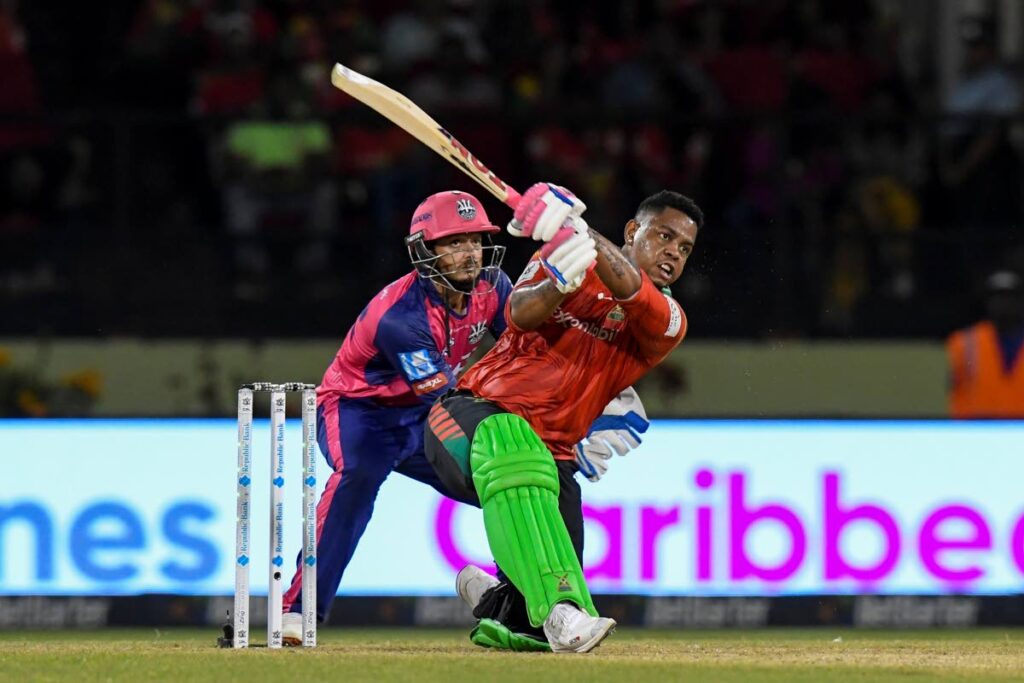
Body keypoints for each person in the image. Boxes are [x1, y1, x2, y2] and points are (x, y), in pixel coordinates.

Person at [423, 184, 702, 653]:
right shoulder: (568, 254)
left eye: (685, 248)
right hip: (468, 417)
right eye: (664, 237)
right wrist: (558, 279)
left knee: (541, 616)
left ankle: (495, 598)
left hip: (551, 458)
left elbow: (630, 285)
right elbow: (518, 314)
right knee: (514, 445)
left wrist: (579, 227)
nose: (673, 253)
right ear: (634, 230)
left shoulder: (669, 320)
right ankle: (554, 609)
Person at [278, 189, 512, 643]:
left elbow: (521, 355)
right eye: (455, 243)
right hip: (359, 410)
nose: (470, 254)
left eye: (476, 240)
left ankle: (515, 598)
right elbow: (449, 399)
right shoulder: (401, 318)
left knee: (503, 484)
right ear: (427, 251)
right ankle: (297, 611)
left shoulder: (494, 287)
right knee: (358, 480)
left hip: (423, 414)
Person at [947, 269, 1024, 418]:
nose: (1004, 303)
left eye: (1010, 297)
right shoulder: (964, 342)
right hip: (978, 433)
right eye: (998, 297)